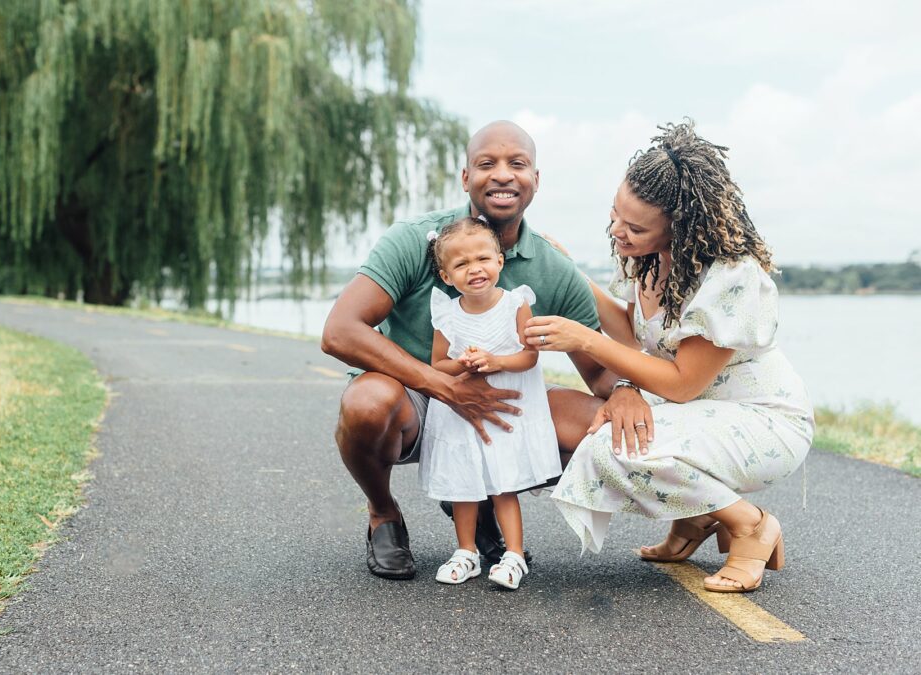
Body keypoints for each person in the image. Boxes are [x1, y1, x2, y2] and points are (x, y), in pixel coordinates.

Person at [321, 121, 652, 581]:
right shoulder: (416, 239)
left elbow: (597, 371)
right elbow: (339, 331)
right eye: (486, 164)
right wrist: (445, 387)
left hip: (505, 404)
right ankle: (383, 513)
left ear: (536, 179)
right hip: (414, 399)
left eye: (517, 164)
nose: (502, 175)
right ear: (465, 178)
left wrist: (625, 387)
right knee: (365, 404)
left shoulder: (552, 268)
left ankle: (479, 495)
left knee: (603, 428)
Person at [525, 121, 814, 593]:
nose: (618, 232)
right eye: (616, 215)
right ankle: (695, 519)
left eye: (635, 227)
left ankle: (750, 526)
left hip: (763, 419)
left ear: (682, 228)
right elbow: (638, 332)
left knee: (615, 447)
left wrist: (585, 340)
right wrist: (572, 275)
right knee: (564, 415)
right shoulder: (652, 258)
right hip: (701, 411)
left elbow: (682, 383)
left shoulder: (730, 277)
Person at [420, 218, 561, 589]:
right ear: (446, 275)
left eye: (482, 258)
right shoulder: (446, 313)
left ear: (499, 261)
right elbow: (438, 365)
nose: (474, 269)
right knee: (462, 486)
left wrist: (496, 361)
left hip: (502, 412)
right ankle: (466, 552)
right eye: (461, 264)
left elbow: (529, 357)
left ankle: (513, 553)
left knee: (504, 484)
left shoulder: (516, 304)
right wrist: (463, 363)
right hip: (460, 415)